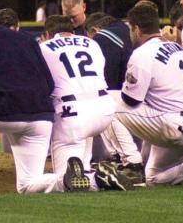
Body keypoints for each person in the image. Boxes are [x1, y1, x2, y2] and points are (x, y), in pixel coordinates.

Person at [0, 16, 91, 194]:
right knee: (27, 185)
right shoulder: (26, 38)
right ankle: (86, 178)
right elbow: (49, 83)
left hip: (5, 113)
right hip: (42, 117)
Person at [114, 3, 183, 186]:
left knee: (106, 103)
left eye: (130, 29)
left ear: (137, 29)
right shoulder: (178, 48)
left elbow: (130, 100)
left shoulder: (141, 53)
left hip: (176, 126)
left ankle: (132, 163)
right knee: (152, 179)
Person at [40, 15, 132, 190]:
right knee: (80, 164)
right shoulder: (92, 43)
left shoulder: (45, 47)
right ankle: (92, 172)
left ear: (47, 34)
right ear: (72, 30)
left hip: (73, 112)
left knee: (66, 181)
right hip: (103, 109)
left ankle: (98, 179)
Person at [84, 12, 143, 182]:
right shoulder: (126, 28)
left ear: (95, 30)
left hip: (142, 102)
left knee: (104, 101)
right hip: (167, 102)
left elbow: (106, 83)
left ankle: (129, 162)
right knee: (155, 173)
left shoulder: (102, 37)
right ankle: (123, 159)